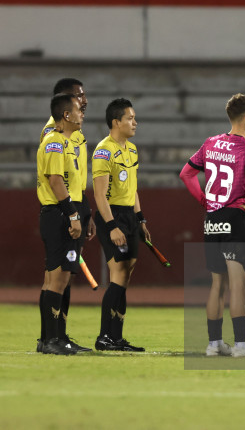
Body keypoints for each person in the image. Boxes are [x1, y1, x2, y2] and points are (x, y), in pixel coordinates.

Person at [180, 94, 245, 357]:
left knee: (216, 284)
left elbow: (186, 173)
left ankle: (214, 344)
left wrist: (204, 200)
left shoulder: (210, 143)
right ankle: (240, 345)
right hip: (235, 218)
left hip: (212, 220)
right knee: (239, 285)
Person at [37, 78, 94, 353]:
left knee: (63, 276)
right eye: (78, 97)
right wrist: (72, 213)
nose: (84, 101)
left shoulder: (75, 135)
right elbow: (56, 179)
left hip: (74, 206)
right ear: (65, 107)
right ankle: (51, 339)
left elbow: (77, 178)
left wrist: (86, 212)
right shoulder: (55, 136)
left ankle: (57, 337)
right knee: (56, 277)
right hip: (61, 209)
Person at [92, 98, 151, 352]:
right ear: (116, 122)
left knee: (125, 277)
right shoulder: (104, 151)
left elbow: (133, 189)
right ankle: (105, 336)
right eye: (130, 118)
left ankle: (116, 337)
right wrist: (112, 226)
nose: (135, 122)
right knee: (118, 277)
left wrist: (141, 219)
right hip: (112, 216)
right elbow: (99, 194)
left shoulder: (132, 150)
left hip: (129, 216)